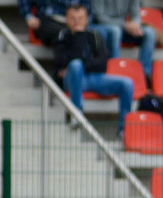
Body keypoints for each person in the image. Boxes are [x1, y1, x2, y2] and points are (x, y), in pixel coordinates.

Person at [53, 4, 134, 139]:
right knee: (75, 66)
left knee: (127, 83)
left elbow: (103, 63)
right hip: (73, 80)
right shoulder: (62, 36)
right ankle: (76, 113)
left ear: (86, 19)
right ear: (66, 20)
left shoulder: (95, 35)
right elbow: (63, 60)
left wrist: (83, 64)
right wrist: (79, 37)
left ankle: (124, 129)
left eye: (80, 18)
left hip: (94, 78)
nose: (77, 22)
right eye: (73, 18)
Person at [89, 0, 156, 83]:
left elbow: (136, 15)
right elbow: (99, 17)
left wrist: (135, 24)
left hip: (122, 27)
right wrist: (124, 25)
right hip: (101, 27)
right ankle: (115, 71)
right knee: (115, 31)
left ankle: (144, 75)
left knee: (150, 33)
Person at [20, 0, 92, 47]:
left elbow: (88, 9)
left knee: (99, 32)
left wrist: (84, 21)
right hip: (50, 20)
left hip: (76, 21)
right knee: (64, 35)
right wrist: (29, 17)